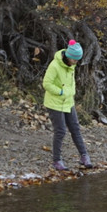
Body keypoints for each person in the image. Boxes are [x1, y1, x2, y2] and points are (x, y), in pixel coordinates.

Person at [42, 39, 93, 171]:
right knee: (60, 131)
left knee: (75, 128)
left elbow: (71, 83)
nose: (76, 62)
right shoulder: (54, 66)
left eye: (77, 60)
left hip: (68, 102)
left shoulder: (72, 65)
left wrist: (71, 93)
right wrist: (61, 92)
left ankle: (84, 156)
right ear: (69, 57)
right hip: (54, 103)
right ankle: (57, 160)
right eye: (75, 60)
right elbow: (46, 84)